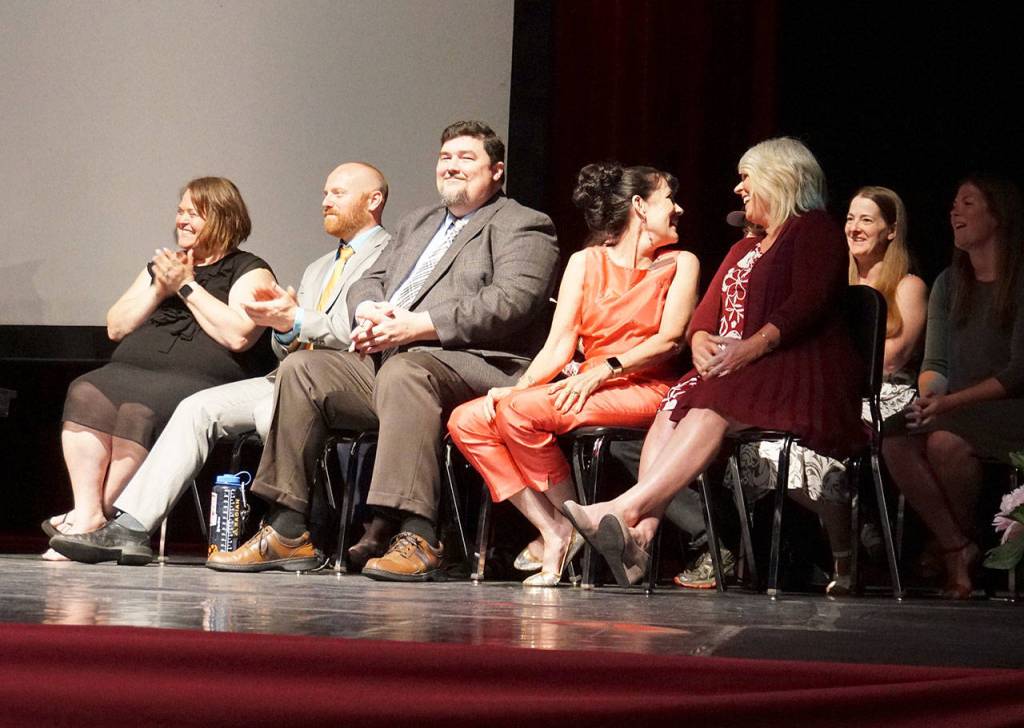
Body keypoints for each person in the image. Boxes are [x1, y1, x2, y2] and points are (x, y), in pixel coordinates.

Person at [205, 121, 559, 579]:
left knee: (407, 370)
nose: (451, 165)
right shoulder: (419, 222)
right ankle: (288, 529)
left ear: (496, 171)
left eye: (466, 158)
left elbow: (513, 302)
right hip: (394, 361)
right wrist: (371, 310)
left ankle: (418, 534)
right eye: (445, 157)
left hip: (478, 366)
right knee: (303, 367)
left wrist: (418, 325)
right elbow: (371, 279)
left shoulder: (522, 223)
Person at [49, 163, 391, 565]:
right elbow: (289, 347)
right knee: (198, 408)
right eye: (325, 192)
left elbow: (357, 329)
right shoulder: (319, 267)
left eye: (337, 193)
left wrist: (295, 320)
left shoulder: (392, 254)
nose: (324, 201)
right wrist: (284, 330)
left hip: (345, 380)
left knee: (271, 416)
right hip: (289, 374)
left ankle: (296, 529)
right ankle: (131, 528)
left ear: (373, 200)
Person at [562, 137, 866, 587]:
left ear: (778, 178)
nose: (738, 189)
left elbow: (811, 301)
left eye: (746, 178)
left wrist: (754, 345)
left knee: (713, 397)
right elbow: (704, 316)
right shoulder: (744, 248)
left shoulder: (815, 229)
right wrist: (701, 339)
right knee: (677, 400)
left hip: (803, 369)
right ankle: (640, 538)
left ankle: (625, 509)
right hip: (746, 370)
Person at [447, 163, 699, 586]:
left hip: (644, 387)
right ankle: (555, 528)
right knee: (468, 420)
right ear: (639, 206)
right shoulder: (585, 262)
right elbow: (559, 345)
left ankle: (574, 525)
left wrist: (604, 370)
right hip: (591, 383)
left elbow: (671, 340)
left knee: (521, 415)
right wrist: (516, 386)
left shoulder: (680, 263)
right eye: (668, 199)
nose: (679, 209)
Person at [43, 177, 275, 561]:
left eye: (193, 213)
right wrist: (158, 288)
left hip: (198, 380)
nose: (181, 220)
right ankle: (88, 517)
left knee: (139, 410)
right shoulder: (164, 265)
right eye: (180, 211)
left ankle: (96, 525)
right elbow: (116, 326)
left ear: (223, 218)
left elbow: (238, 337)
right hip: (131, 368)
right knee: (85, 389)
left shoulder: (250, 270)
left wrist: (186, 286)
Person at [717, 186, 929, 595]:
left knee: (817, 440)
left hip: (884, 393)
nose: (854, 227)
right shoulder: (832, 283)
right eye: (850, 218)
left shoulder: (908, 285)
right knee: (761, 444)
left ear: (891, 230)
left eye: (867, 219)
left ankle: (847, 550)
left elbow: (892, 359)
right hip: (830, 387)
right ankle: (849, 524)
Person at [883, 176, 1024, 599]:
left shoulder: (1019, 281)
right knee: (893, 438)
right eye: (953, 204)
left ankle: (954, 550)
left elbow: (1018, 373)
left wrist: (947, 404)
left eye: (968, 203)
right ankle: (956, 544)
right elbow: (936, 363)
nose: (954, 212)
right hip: (959, 407)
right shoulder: (950, 281)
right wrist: (930, 397)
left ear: (998, 216)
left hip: (1011, 407)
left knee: (944, 443)